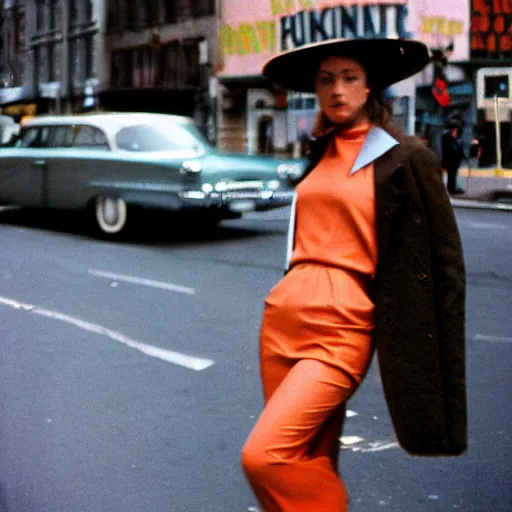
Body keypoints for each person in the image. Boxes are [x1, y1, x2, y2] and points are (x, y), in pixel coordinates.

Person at [241, 38, 467, 512]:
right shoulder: (320, 150)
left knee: (264, 457)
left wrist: (438, 343)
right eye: (326, 80)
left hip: (341, 328)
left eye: (349, 78)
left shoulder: (406, 158)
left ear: (370, 89)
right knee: (305, 458)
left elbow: (445, 265)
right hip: (282, 322)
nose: (337, 90)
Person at [442, 123, 466, 194]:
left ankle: (452, 188)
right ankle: (451, 189)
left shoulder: (455, 140)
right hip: (450, 162)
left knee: (452, 176)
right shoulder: (448, 139)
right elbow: (450, 150)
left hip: (454, 162)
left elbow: (459, 151)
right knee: (451, 176)